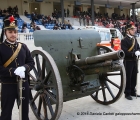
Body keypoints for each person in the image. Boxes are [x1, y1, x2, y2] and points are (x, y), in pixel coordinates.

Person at [0, 15, 35, 119]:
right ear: (5, 33)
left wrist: (24, 68)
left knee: (24, 114)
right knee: (6, 113)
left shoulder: (23, 47)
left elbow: (31, 62)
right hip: (8, 85)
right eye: (10, 32)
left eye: (15, 32)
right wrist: (14, 71)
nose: (13, 34)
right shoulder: (1, 48)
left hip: (24, 84)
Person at [121, 21, 140, 100]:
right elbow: (124, 52)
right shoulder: (124, 40)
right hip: (128, 61)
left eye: (134, 29)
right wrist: (133, 53)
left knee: (134, 77)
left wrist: (138, 51)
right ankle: (127, 93)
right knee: (128, 77)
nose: (134, 31)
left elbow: (138, 47)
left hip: (134, 61)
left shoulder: (134, 39)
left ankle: (133, 91)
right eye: (132, 30)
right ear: (127, 31)